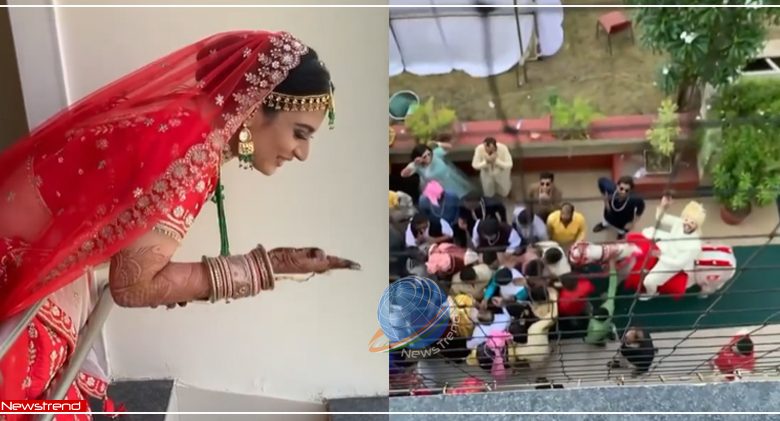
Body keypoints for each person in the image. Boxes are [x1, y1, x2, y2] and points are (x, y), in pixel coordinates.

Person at [0, 31, 360, 408]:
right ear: (254, 108)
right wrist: (268, 266)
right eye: (299, 133)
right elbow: (133, 286)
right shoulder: (188, 154)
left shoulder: (181, 124)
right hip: (18, 283)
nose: (302, 153)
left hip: (38, 267)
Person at [639, 197, 706, 301]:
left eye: (692, 222)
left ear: (697, 226)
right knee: (647, 232)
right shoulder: (680, 222)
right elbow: (661, 218)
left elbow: (678, 263)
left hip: (671, 261)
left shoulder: (694, 245)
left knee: (648, 281)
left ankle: (651, 293)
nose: (687, 223)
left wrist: (660, 255)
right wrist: (663, 206)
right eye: (687, 219)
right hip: (668, 245)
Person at [400, 142, 474, 199]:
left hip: (451, 183)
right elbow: (403, 174)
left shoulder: (436, 154)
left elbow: (449, 147)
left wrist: (437, 143)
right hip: (437, 190)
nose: (428, 157)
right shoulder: (417, 166)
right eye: (425, 156)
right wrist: (414, 164)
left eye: (429, 154)